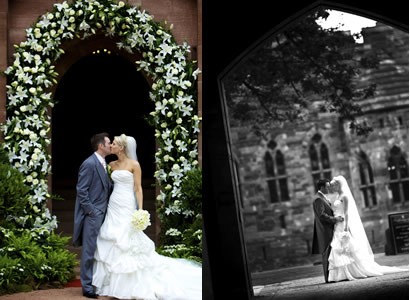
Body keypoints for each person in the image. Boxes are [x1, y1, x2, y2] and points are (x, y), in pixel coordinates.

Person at [92, 134, 202, 300]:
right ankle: (110, 283)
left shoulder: (134, 165)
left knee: (127, 238)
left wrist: (140, 210)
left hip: (127, 203)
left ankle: (129, 283)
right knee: (111, 236)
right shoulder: (111, 165)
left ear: (121, 148)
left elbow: (138, 188)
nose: (111, 146)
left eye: (114, 144)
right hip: (113, 204)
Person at [327, 175, 408, 282]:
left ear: (338, 184)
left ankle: (352, 271)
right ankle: (343, 273)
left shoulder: (345, 196)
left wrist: (346, 229)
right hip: (338, 224)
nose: (333, 188)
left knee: (346, 247)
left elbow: (346, 213)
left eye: (334, 185)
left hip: (343, 225)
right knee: (339, 248)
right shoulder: (338, 196)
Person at [73, 132, 113, 299]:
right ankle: (87, 286)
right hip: (94, 214)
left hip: (106, 212)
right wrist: (91, 211)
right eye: (108, 143)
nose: (111, 145)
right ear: (100, 146)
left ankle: (100, 282)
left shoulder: (104, 162)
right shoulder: (89, 164)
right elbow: (81, 191)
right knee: (89, 250)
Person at [312, 178, 344, 283]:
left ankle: (331, 277)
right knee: (326, 254)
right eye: (327, 186)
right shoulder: (318, 199)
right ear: (321, 187)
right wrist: (335, 219)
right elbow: (322, 215)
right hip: (324, 231)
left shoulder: (322, 197)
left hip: (328, 229)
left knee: (330, 253)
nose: (328, 187)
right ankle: (328, 278)